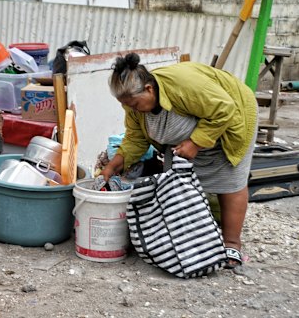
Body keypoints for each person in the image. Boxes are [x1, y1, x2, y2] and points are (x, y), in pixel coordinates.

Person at [101, 53, 258, 269]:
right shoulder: (133, 103)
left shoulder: (186, 86)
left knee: (229, 180)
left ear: (149, 89)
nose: (133, 109)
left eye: (135, 104)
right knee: (176, 185)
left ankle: (232, 243)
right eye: (128, 106)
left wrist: (195, 142)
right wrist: (113, 165)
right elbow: (135, 138)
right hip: (185, 139)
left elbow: (225, 109)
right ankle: (193, 237)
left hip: (231, 117)